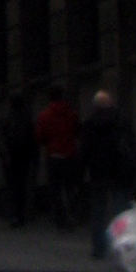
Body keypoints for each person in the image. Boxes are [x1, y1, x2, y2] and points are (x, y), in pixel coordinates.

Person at [77, 88, 136, 261]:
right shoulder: (121, 122)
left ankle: (99, 248)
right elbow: (132, 145)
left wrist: (81, 172)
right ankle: (122, 245)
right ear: (111, 104)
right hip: (119, 172)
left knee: (98, 212)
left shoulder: (89, 124)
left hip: (98, 173)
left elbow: (84, 151)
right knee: (120, 211)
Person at [34, 85, 81, 230]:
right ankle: (73, 214)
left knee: (55, 188)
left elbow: (40, 137)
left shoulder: (44, 115)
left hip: (54, 155)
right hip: (70, 153)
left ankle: (60, 219)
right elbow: (77, 131)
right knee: (70, 187)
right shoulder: (72, 113)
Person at [0, 89, 34, 229]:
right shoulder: (27, 116)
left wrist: (4, 154)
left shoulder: (7, 118)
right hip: (24, 155)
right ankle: (22, 214)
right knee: (22, 185)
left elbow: (2, 137)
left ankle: (14, 215)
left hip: (10, 156)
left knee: (11, 186)